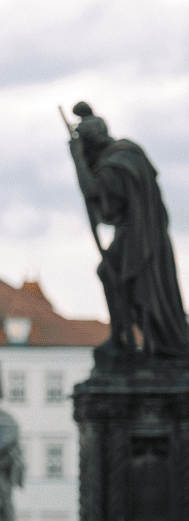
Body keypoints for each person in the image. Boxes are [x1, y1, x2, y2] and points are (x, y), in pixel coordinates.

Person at [68, 101, 189, 361]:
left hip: (138, 235)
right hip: (143, 233)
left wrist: (77, 158)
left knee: (113, 275)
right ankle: (123, 339)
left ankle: (123, 340)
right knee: (112, 276)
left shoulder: (116, 163)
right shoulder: (126, 153)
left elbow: (93, 192)